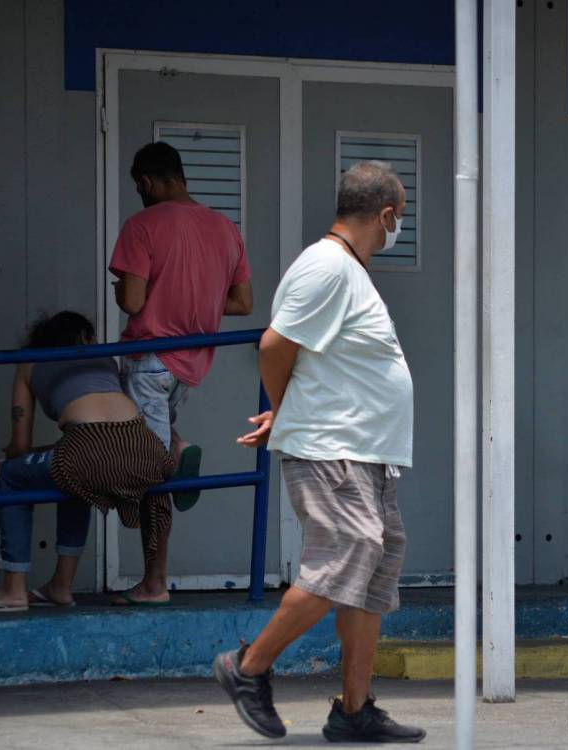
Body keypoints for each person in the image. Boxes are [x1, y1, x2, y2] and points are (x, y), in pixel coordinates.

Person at [213, 161, 425, 743]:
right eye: (397, 221)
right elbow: (274, 344)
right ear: (384, 216)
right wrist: (285, 409)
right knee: (347, 555)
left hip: (366, 453)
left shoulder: (346, 270)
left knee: (370, 574)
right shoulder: (327, 266)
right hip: (333, 449)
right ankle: (248, 667)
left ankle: (354, 710)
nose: (394, 232)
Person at [108, 141, 254, 606]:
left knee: (149, 470)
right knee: (142, 454)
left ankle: (155, 581)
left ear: (147, 183)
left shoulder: (142, 225)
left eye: (139, 188)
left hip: (148, 359)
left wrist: (127, 289)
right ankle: (171, 448)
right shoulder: (225, 229)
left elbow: (132, 302)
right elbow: (242, 302)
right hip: (191, 365)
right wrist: (195, 297)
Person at [0, 311, 177, 613]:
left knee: (12, 477)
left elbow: (20, 445)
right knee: (72, 473)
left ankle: (13, 589)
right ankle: (60, 586)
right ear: (84, 337)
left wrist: (5, 462)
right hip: (144, 446)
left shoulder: (30, 363)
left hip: (84, 451)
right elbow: (105, 432)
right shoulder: (105, 359)